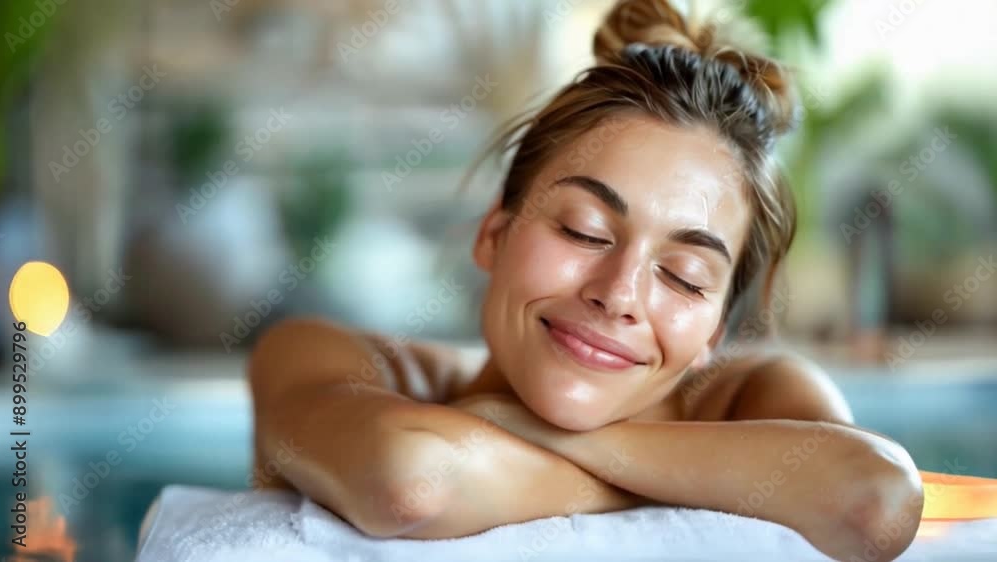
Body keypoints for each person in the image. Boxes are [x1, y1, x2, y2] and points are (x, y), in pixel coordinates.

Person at [249, 1, 923, 559]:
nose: (619, 293)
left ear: (714, 330)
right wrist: (693, 481)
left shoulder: (752, 393)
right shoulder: (326, 358)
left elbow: (876, 501)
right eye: (584, 231)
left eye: (685, 277)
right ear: (494, 235)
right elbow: (412, 480)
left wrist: (517, 429)